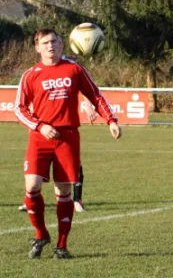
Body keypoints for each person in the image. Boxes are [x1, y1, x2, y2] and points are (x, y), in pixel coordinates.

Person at [15, 28, 121, 259]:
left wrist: (110, 120)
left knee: (63, 191)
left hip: (68, 138)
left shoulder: (73, 69)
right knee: (32, 187)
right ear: (37, 48)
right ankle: (41, 233)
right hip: (40, 137)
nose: (50, 46)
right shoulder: (30, 75)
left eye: (54, 41)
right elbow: (19, 109)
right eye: (45, 43)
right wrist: (40, 126)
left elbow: (95, 95)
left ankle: (61, 246)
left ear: (62, 44)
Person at [17, 98, 99, 213]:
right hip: (41, 125)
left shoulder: (69, 80)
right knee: (35, 170)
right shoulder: (30, 79)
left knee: (73, 164)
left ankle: (77, 199)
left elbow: (85, 86)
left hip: (65, 125)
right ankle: (31, 199)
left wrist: (89, 106)